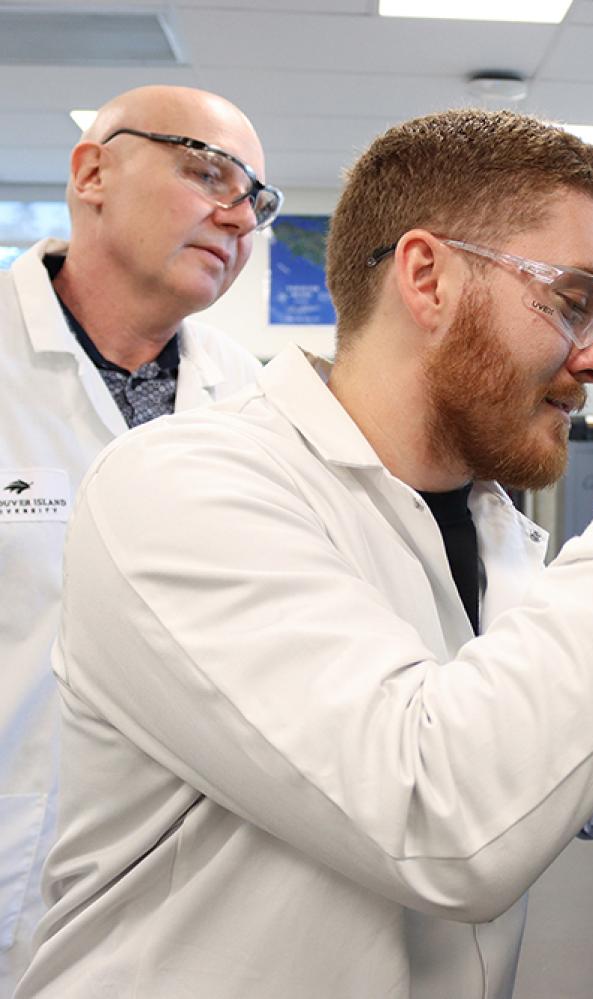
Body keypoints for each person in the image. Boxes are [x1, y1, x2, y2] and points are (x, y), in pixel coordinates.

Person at [16, 109, 593, 999]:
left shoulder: (489, 525)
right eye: (573, 299)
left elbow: (577, 798)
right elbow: (447, 819)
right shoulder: (180, 486)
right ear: (426, 277)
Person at [0, 84, 282, 995]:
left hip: (191, 908)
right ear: (92, 173)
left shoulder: (256, 405)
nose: (238, 217)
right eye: (208, 173)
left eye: (258, 201)